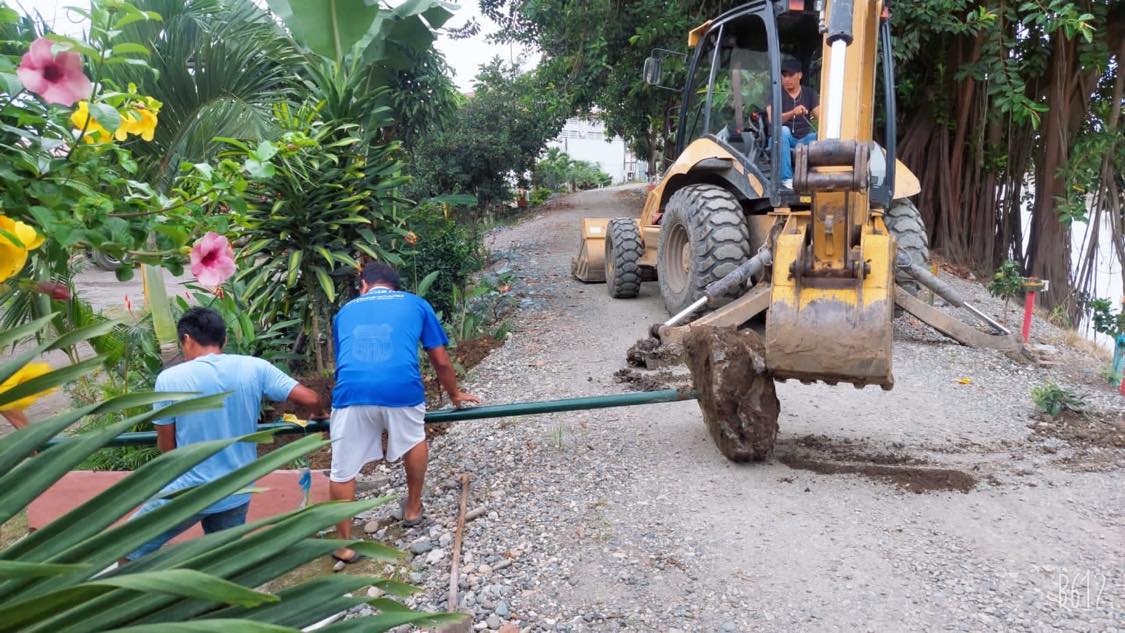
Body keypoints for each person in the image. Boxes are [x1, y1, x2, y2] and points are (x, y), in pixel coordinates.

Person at [122, 307, 321, 562]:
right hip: (236, 488)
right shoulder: (256, 368)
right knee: (225, 561)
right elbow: (311, 398)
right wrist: (318, 413)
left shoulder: (169, 379)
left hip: (187, 491)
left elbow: (167, 446)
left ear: (187, 340)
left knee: (126, 547)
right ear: (224, 340)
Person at [329, 262, 480, 564]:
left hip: (351, 392)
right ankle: (412, 508)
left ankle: (344, 544)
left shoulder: (344, 312)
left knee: (342, 467)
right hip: (402, 389)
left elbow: (343, 359)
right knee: (413, 439)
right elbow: (441, 360)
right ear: (395, 286)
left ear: (364, 285)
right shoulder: (416, 304)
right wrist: (455, 394)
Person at [767, 58, 820, 188]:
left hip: (803, 139)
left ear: (800, 75)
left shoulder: (809, 93)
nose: (787, 79)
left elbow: (822, 118)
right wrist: (792, 112)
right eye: (784, 75)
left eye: (791, 75)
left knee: (822, 136)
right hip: (780, 139)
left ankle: (820, 177)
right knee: (783, 130)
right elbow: (772, 120)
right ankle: (787, 179)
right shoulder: (775, 93)